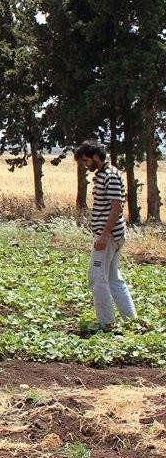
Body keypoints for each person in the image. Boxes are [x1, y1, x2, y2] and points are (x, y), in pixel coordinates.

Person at [74, 140, 136, 331]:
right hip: (110, 234)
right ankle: (131, 320)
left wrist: (104, 235)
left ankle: (107, 323)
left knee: (96, 277)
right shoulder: (104, 175)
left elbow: (116, 206)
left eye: (86, 160)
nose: (86, 165)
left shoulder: (110, 175)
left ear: (95, 156)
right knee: (113, 277)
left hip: (107, 236)